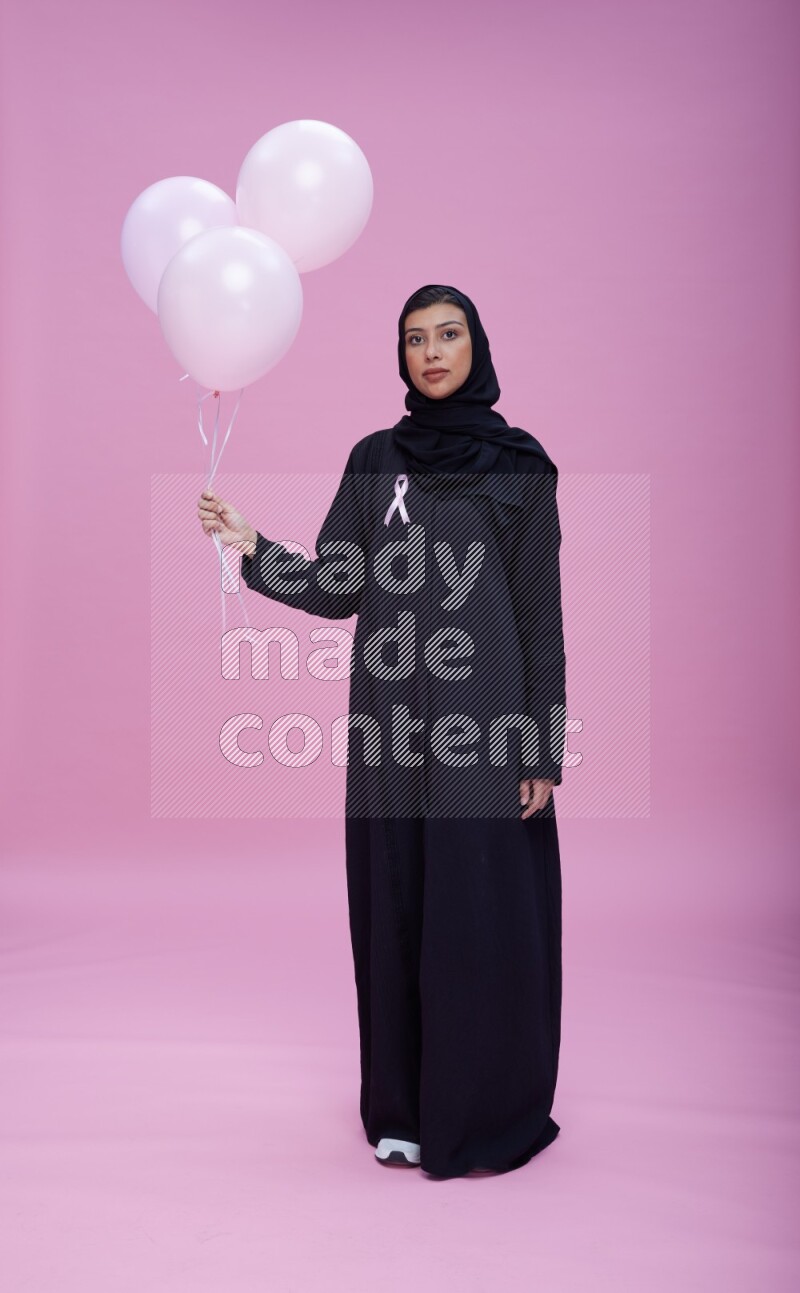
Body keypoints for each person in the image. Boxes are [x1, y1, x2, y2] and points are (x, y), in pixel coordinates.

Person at [197, 284, 567, 1178]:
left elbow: (539, 615)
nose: (432, 352)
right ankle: (402, 1109)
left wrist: (540, 748)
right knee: (396, 907)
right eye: (414, 339)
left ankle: (481, 1113)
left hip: (483, 735)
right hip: (391, 732)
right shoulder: (374, 461)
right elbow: (337, 583)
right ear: (399, 356)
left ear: (475, 344)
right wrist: (253, 547)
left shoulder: (521, 466)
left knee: (475, 920)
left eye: (448, 335)